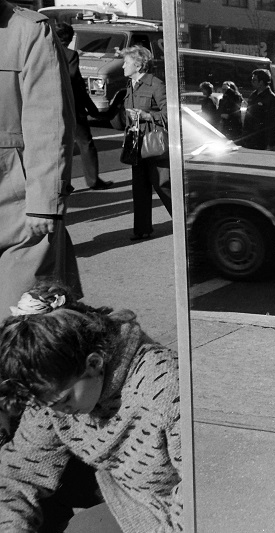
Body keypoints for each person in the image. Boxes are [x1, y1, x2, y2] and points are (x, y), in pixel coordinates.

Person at [0, 280, 183, 531]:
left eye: (63, 400)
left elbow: (201, 489)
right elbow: (17, 475)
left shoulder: (165, 384)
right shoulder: (53, 391)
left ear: (94, 363)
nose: (55, 413)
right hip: (132, 505)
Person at [0, 0, 82, 322]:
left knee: (24, 324)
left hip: (17, 208)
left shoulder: (29, 31)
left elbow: (50, 121)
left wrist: (44, 202)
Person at [110, 45, 172, 241]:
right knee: (139, 189)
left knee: (164, 186)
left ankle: (186, 226)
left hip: (153, 144)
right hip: (136, 144)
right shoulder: (129, 85)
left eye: (126, 63)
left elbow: (169, 114)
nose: (122, 67)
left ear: (138, 65)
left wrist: (147, 115)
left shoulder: (156, 84)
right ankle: (142, 230)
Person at [54, 22, 112, 192]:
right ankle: (93, 180)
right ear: (70, 38)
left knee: (59, 146)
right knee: (85, 143)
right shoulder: (70, 54)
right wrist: (91, 108)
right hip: (72, 106)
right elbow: (76, 82)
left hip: (51, 106)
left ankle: (62, 183)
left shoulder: (45, 52)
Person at [241, 68, 275, 151]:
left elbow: (273, 123)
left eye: (254, 80)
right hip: (249, 139)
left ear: (262, 82)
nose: (252, 82)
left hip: (262, 141)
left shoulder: (272, 99)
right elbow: (247, 118)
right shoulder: (253, 95)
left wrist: (270, 144)